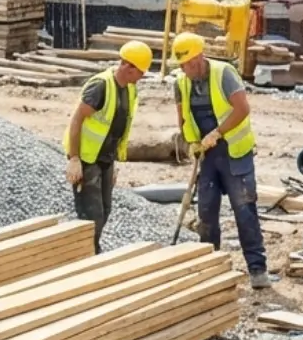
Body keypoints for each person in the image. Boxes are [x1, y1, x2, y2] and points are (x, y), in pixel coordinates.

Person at [172, 32, 276, 288]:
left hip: (234, 152)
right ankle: (211, 268)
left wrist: (218, 132)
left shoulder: (224, 73)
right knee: (206, 213)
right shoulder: (181, 83)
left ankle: (257, 270)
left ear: (200, 56)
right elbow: (183, 118)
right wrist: (192, 143)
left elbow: (242, 108)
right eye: (183, 66)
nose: (188, 70)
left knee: (244, 210)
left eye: (190, 64)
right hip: (207, 157)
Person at [63, 40, 151, 253]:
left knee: (105, 210)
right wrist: (74, 159)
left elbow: (117, 124)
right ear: (128, 67)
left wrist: (113, 161)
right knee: (92, 215)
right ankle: (86, 257)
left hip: (105, 159)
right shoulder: (101, 86)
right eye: (140, 72)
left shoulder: (129, 90)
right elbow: (77, 119)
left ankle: (92, 252)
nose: (142, 77)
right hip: (87, 159)